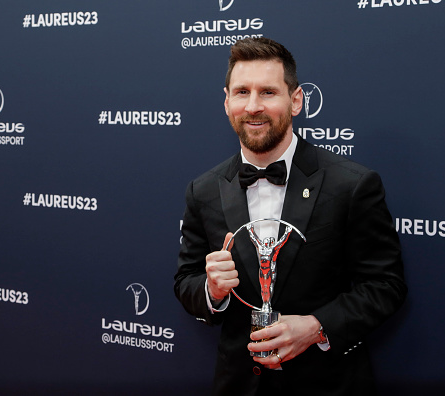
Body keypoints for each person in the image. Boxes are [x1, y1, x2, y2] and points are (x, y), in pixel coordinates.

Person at [174, 37, 407, 396]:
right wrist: (212, 289)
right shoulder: (202, 190)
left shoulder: (353, 184)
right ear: (226, 102)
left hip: (328, 384)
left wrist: (316, 326)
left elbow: (386, 286)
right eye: (241, 92)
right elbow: (186, 282)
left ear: (295, 100)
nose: (253, 106)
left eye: (268, 92)